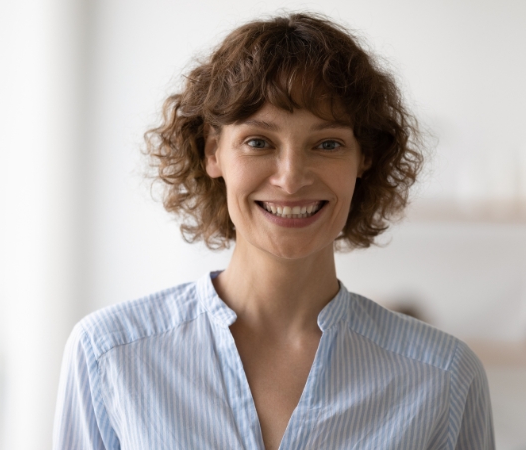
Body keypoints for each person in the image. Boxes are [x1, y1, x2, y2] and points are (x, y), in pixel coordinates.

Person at [53, 12, 494, 450]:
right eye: (259, 142)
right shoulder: (108, 355)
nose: (291, 177)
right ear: (213, 152)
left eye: (327, 144)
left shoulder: (443, 377)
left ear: (365, 158)